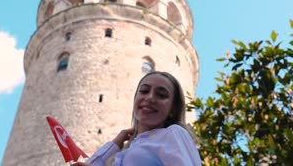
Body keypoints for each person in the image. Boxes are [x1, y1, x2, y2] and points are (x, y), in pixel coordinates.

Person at [72, 71, 201, 166]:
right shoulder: (124, 151)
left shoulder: (173, 133)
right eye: (144, 91)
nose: (150, 98)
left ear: (173, 108)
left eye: (161, 95)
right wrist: (115, 144)